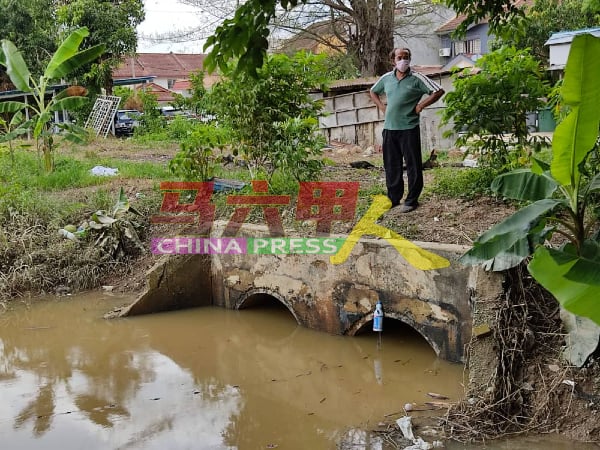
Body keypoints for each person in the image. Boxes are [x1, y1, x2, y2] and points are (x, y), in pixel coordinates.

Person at [369, 47, 445, 213]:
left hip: (408, 128)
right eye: (400, 57)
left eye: (406, 57)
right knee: (391, 165)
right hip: (390, 128)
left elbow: (438, 91)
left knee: (413, 165)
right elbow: (373, 91)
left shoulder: (417, 78)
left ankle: (412, 200)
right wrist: (381, 106)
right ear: (393, 60)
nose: (403, 60)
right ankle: (393, 198)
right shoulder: (386, 78)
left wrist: (421, 105)